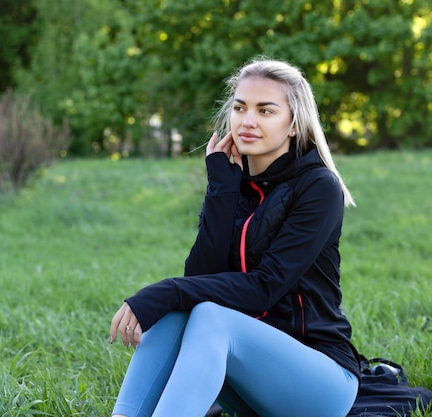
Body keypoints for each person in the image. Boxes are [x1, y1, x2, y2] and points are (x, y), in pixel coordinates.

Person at [109, 57, 360, 417]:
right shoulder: (235, 183)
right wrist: (221, 189)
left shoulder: (318, 187)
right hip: (249, 380)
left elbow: (265, 287)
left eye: (266, 110)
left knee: (208, 314)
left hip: (320, 380)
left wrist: (165, 290)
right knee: (176, 312)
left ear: (293, 124)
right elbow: (200, 280)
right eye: (240, 107)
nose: (248, 120)